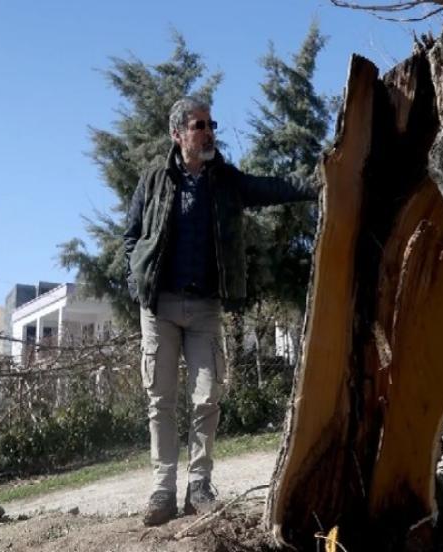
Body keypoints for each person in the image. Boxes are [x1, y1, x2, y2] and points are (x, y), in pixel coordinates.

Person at [123, 97, 318, 526]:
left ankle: (199, 486)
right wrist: (137, 282)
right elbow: (130, 237)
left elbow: (272, 187)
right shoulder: (154, 180)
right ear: (178, 134)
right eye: (199, 125)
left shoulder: (226, 181)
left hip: (206, 308)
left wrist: (317, 181)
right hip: (160, 307)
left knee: (207, 396)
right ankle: (162, 489)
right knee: (160, 400)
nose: (209, 131)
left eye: (211, 123)